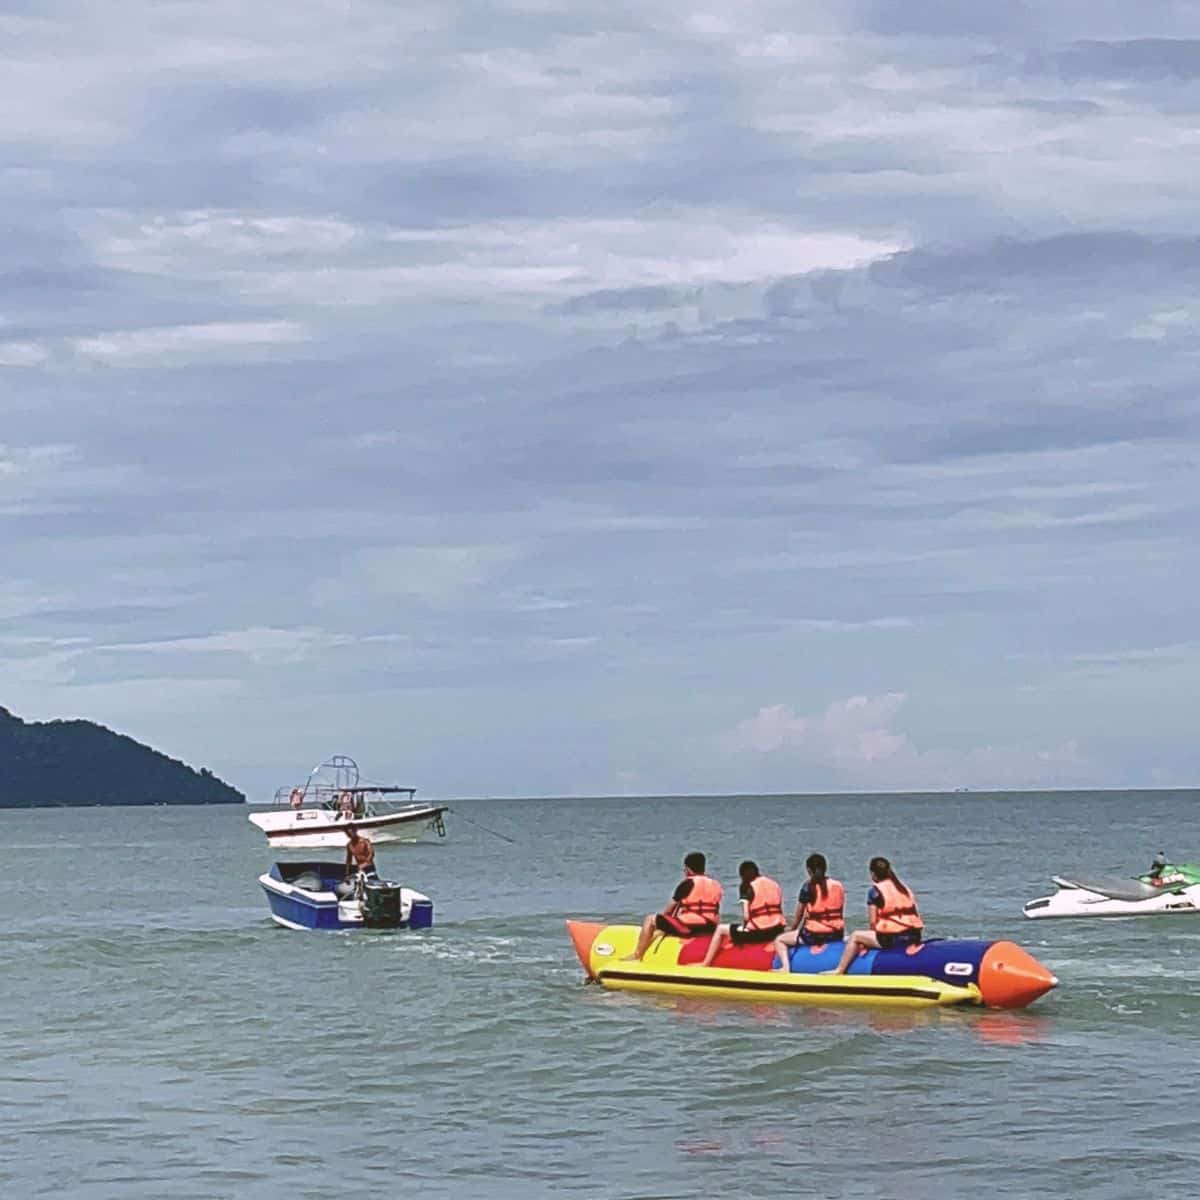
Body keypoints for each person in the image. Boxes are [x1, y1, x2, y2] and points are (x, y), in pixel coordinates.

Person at [830, 856, 922, 975]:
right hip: (914, 936)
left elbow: (873, 923)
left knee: (855, 936)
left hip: (893, 939)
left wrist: (868, 943)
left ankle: (840, 970)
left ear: (873, 874)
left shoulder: (875, 891)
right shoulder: (903, 888)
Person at [623, 852, 723, 961]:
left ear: (688, 869)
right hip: (711, 927)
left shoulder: (687, 883)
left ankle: (638, 955)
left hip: (690, 928)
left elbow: (669, 910)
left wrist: (662, 925)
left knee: (650, 919)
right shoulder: (715, 884)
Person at [700, 860, 785, 967]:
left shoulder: (747, 886)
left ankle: (706, 962)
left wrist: (744, 928)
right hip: (777, 931)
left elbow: (746, 916)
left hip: (760, 933)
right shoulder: (774, 884)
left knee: (721, 929)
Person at [772, 853, 845, 973]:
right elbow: (840, 912)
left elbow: (799, 915)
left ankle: (785, 968)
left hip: (814, 935)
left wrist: (792, 929)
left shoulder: (808, 887)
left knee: (780, 940)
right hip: (836, 934)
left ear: (809, 870)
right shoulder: (838, 886)